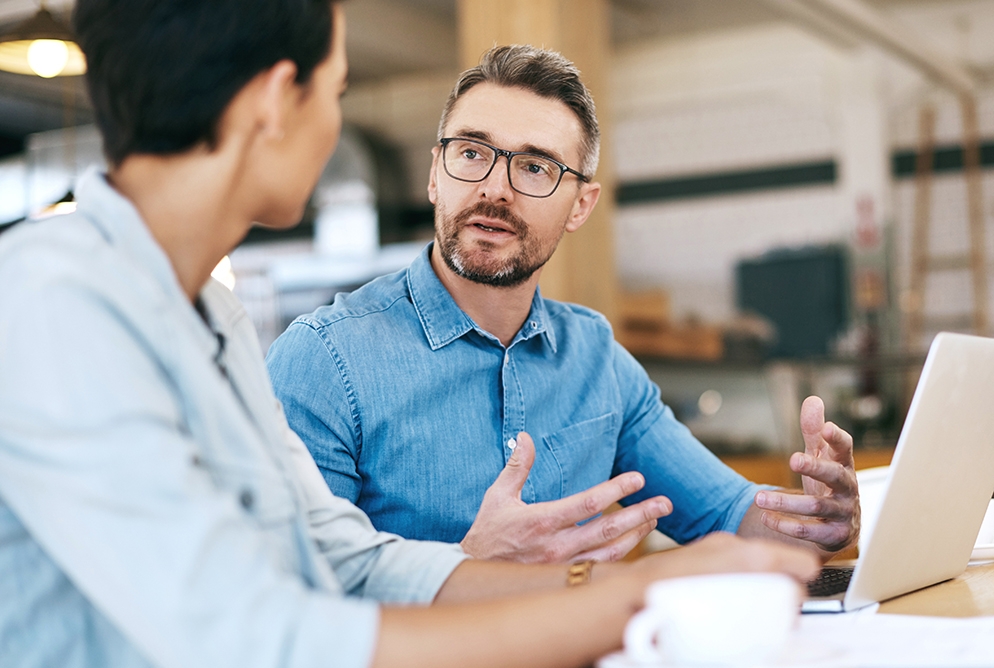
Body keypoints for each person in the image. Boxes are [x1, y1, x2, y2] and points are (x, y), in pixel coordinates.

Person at [0, 2, 822, 667]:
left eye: (535, 167)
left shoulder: (208, 314)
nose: (334, 126)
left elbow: (345, 560)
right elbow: (256, 637)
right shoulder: (48, 300)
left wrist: (611, 577)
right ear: (275, 102)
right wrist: (639, 598)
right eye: (337, 89)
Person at [266, 44, 861, 564]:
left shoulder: (595, 357)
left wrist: (815, 523)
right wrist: (469, 564)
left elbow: (730, 516)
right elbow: (287, 602)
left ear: (580, 205)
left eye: (534, 167)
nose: (494, 188)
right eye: (471, 153)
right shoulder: (323, 361)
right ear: (434, 175)